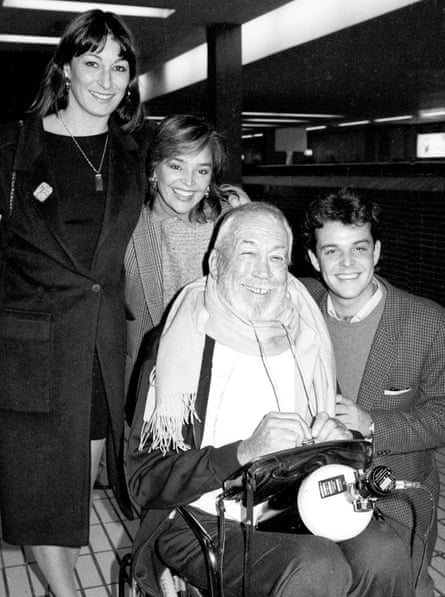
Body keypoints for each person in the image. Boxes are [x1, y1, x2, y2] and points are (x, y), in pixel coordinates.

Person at [126, 202, 415, 597]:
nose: (263, 272)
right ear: (215, 260)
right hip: (203, 517)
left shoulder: (305, 336)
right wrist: (244, 451)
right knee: (316, 567)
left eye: (276, 257)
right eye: (248, 253)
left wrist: (338, 438)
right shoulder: (178, 345)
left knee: (384, 552)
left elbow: (340, 435)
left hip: (298, 503)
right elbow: (144, 480)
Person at [0, 9, 147, 597]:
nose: (107, 79)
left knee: (74, 492)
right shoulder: (13, 147)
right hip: (28, 353)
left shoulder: (133, 154)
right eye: (92, 63)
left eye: (120, 66)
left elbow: (178, 212)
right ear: (65, 69)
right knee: (38, 496)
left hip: (97, 350)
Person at [301, 188, 445, 597]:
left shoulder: (428, 322)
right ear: (313, 259)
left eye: (359, 248)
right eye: (331, 251)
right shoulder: (299, 306)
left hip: (393, 502)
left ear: (377, 251)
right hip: (311, 493)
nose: (347, 264)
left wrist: (372, 424)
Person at [124, 114, 249, 389]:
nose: (189, 181)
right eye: (177, 166)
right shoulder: (126, 230)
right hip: (150, 392)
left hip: (223, 386)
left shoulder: (233, 225)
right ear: (154, 169)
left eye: (202, 171)